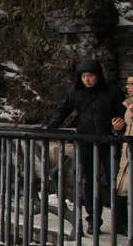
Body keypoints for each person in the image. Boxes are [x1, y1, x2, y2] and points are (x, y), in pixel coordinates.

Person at [46, 59, 125, 234]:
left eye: (90, 76)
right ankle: (93, 219)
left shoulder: (112, 91)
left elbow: (123, 113)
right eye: (83, 76)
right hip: (86, 142)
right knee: (88, 182)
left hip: (109, 142)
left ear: (98, 76)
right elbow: (62, 110)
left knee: (117, 182)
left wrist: (120, 125)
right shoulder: (76, 91)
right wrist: (49, 128)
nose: (87, 80)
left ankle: (120, 221)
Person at [110, 75, 133, 235]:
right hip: (127, 152)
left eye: (132, 84)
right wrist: (118, 129)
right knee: (122, 189)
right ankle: (122, 225)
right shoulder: (128, 105)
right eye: (128, 84)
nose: (128, 87)